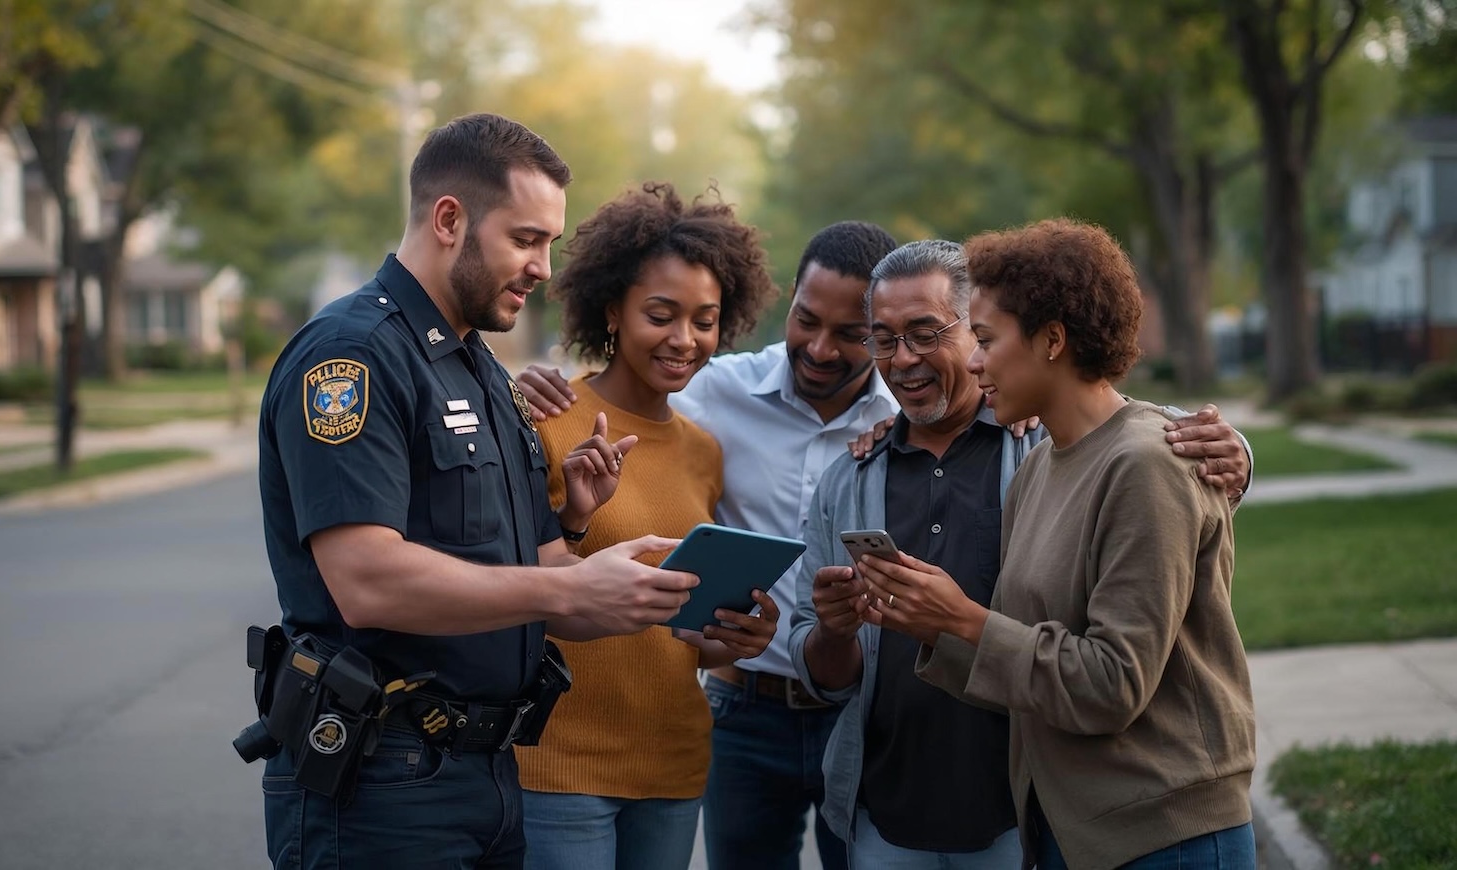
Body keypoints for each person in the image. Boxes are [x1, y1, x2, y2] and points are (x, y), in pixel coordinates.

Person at [517, 224, 1254, 869]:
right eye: (877, 336)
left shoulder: (1032, 447)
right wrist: (517, 389)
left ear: (974, 334)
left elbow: (1131, 440)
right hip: (813, 750)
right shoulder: (738, 407)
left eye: (931, 335)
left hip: (1024, 794)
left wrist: (1234, 453)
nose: (891, 357)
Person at [255, 113, 700, 870]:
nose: (543, 268)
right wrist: (567, 592)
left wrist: (638, 583)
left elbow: (545, 567)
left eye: (550, 244)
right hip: (381, 782)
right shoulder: (352, 356)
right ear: (450, 219)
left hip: (487, 776)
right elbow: (365, 581)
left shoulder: (481, 371)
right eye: (525, 239)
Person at [789, 238, 1257, 869]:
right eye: (883, 339)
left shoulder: (1131, 457)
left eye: (977, 339)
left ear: (1052, 341)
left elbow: (1112, 680)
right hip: (1057, 820)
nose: (976, 366)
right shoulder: (1040, 466)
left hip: (1154, 831)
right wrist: (883, 624)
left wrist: (956, 618)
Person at [514, 181, 783, 870]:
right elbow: (510, 589)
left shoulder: (703, 450)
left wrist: (737, 638)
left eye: (705, 319)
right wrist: (574, 513)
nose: (684, 339)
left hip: (672, 762)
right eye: (661, 314)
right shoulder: (545, 421)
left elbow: (686, 635)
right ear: (613, 309)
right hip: (559, 762)